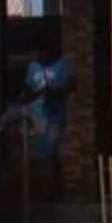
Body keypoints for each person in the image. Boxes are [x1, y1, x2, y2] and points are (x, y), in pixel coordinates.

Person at [17, 30, 74, 196]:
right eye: (36, 53)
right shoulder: (33, 67)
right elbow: (27, 89)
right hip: (35, 115)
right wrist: (26, 95)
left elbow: (71, 85)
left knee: (52, 152)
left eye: (40, 53)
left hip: (54, 115)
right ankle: (30, 187)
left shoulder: (62, 64)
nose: (38, 56)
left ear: (47, 51)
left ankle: (54, 189)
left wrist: (54, 92)